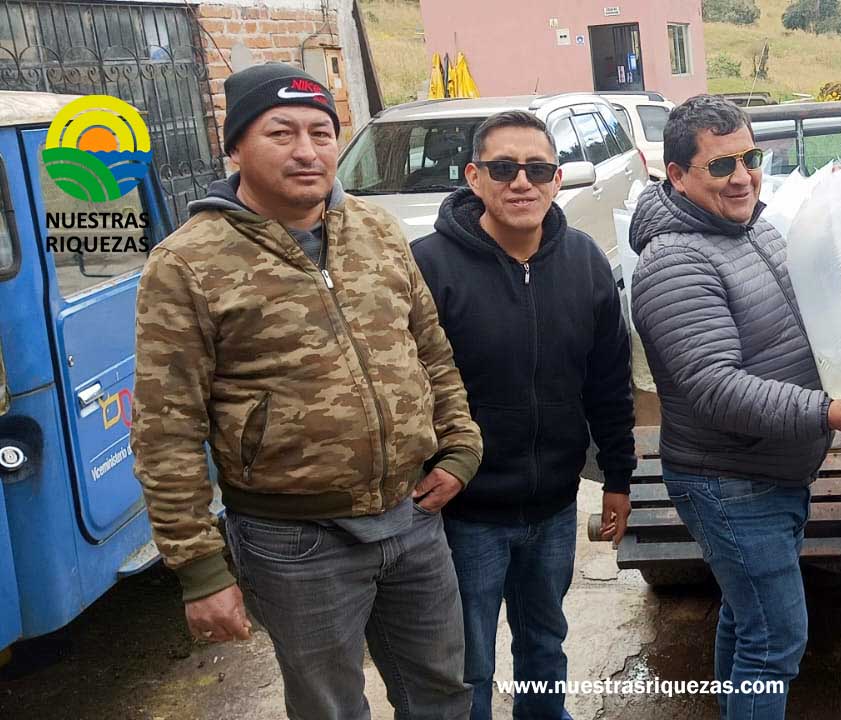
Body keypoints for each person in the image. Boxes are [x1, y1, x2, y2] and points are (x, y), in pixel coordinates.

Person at [131, 63, 480, 720]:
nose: (306, 150)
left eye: (321, 132)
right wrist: (199, 567)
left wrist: (460, 446)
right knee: (330, 707)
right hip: (295, 541)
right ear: (235, 146)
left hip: (413, 515)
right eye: (280, 131)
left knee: (442, 690)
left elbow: (429, 347)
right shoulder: (187, 262)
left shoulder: (375, 231)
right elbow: (165, 425)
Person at [628, 94, 841, 720]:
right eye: (720, 165)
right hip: (730, 481)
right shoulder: (675, 261)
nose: (742, 177)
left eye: (750, 158)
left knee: (747, 619)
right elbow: (715, 385)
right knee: (775, 639)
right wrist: (823, 410)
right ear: (676, 175)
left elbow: (797, 319)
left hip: (769, 471)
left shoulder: (751, 228)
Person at [411, 110, 636, 720]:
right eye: (504, 168)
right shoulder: (427, 267)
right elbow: (403, 389)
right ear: (474, 176)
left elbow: (609, 384)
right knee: (467, 662)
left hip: (555, 507)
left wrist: (618, 477)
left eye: (537, 169)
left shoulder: (586, 262)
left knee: (545, 642)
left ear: (557, 179)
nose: (521, 182)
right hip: (466, 514)